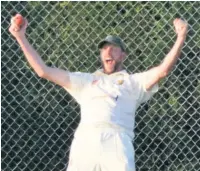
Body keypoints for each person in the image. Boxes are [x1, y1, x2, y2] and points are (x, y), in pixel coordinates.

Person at [9, 16, 188, 171]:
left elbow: (162, 70)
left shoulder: (133, 82)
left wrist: (181, 36)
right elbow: (43, 71)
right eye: (104, 48)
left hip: (118, 140)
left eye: (114, 48)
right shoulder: (84, 80)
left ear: (123, 55)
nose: (108, 52)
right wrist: (20, 36)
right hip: (86, 139)